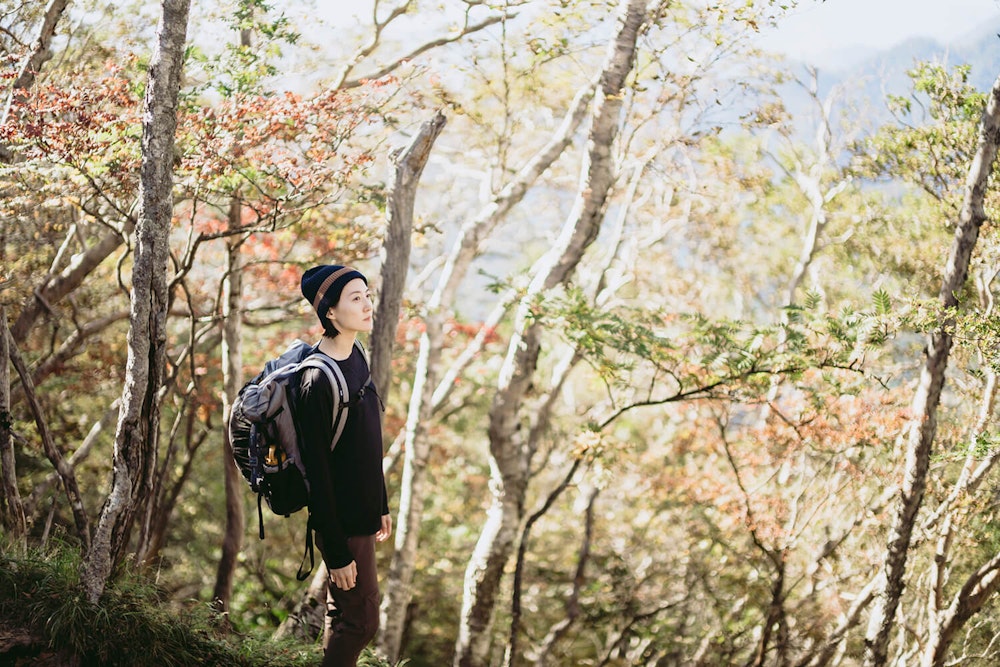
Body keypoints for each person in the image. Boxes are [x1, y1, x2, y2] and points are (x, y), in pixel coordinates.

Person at [296, 264, 392, 667]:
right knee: (361, 621)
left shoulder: (356, 355)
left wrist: (381, 504)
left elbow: (366, 444)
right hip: (342, 522)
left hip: (363, 513)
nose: (368, 304)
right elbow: (317, 477)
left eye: (366, 294)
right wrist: (335, 551)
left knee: (346, 615)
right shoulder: (316, 381)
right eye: (356, 298)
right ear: (330, 313)